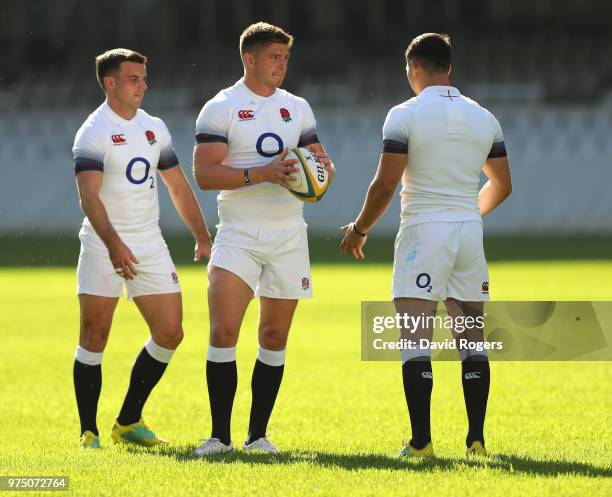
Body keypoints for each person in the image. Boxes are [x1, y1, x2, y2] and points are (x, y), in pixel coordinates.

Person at [340, 33, 512, 458]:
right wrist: (465, 215)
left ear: (413, 68)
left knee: (416, 338)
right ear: (449, 67)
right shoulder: (483, 117)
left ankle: (421, 443)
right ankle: (476, 440)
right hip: (468, 233)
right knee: (471, 339)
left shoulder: (405, 115)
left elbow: (384, 185)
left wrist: (360, 229)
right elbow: (502, 184)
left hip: (423, 231)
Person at [192, 22, 334, 456]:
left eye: (285, 57)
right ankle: (219, 437)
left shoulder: (298, 107)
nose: (282, 64)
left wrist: (319, 177)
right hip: (238, 233)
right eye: (274, 57)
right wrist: (261, 173)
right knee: (224, 330)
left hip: (289, 233)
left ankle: (258, 437)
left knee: (274, 336)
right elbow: (204, 174)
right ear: (249, 59)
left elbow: (316, 161)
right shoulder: (222, 107)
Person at [72, 48, 212, 449]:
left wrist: (202, 236)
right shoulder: (93, 132)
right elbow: (89, 198)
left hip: (148, 242)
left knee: (170, 332)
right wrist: (113, 244)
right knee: (94, 336)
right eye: (134, 78)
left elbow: (178, 185)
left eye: (145, 78)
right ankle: (88, 432)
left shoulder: (155, 127)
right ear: (110, 82)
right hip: (103, 244)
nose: (143, 85)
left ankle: (128, 421)